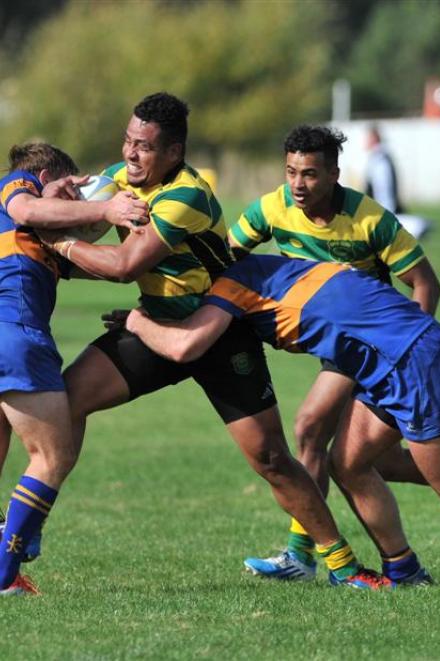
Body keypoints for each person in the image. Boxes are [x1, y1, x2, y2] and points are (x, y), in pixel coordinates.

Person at [42, 92, 392, 590]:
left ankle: (343, 566)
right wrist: (47, 201)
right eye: (127, 141)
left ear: (173, 152)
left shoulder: (188, 193)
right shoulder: (119, 181)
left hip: (219, 331)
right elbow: (78, 222)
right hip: (154, 325)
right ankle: (23, 532)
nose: (130, 154)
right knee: (64, 403)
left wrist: (60, 245)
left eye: (144, 146)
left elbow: (122, 266)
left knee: (271, 458)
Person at [117, 251, 440, 585]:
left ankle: (402, 568)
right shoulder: (267, 268)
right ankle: (405, 571)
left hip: (417, 365)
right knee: (348, 465)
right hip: (392, 363)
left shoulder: (232, 285)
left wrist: (138, 322)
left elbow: (186, 346)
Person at [227, 124, 440, 580]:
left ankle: (301, 555)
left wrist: (410, 348)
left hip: (375, 345)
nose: (298, 185)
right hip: (336, 347)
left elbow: (425, 282)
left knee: (309, 429)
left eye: (309, 174)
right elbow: (225, 260)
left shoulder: (369, 219)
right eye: (290, 172)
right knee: (375, 462)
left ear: (334, 174)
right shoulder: (271, 209)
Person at [0, 142, 148, 596]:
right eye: (72, 193)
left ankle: (10, 557)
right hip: (15, 335)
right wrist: (106, 209)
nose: (76, 206)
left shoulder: (33, 238)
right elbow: (28, 205)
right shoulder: (18, 185)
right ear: (49, 177)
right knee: (52, 457)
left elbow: (109, 268)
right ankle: (5, 575)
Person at [365, 125, 432, 240]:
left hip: (385, 207)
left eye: (367, 138)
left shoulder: (380, 159)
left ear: (374, 139)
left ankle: (417, 225)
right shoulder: (379, 157)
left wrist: (383, 211)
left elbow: (384, 187)